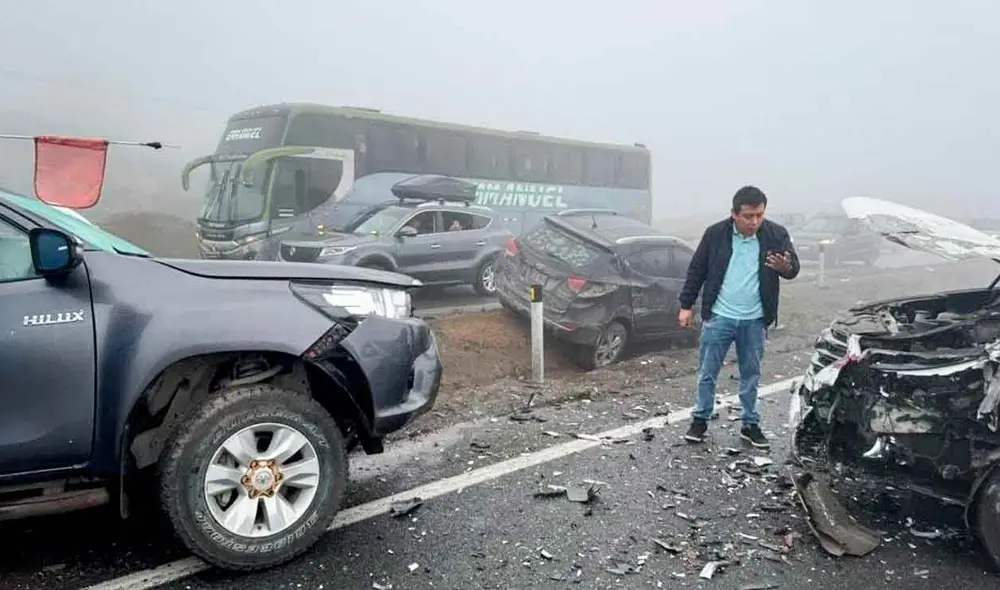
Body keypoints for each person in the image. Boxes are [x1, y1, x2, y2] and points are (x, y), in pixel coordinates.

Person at [677, 186, 799, 449]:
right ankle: (700, 420)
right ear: (734, 214)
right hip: (719, 316)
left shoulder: (775, 234)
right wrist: (686, 305)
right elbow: (697, 269)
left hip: (755, 319)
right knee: (708, 372)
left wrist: (785, 267)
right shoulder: (715, 234)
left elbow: (792, 268)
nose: (754, 221)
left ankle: (750, 424)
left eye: (759, 215)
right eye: (748, 216)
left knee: (751, 374)